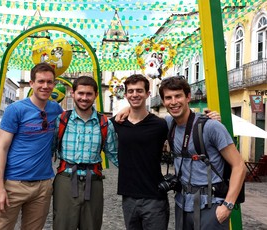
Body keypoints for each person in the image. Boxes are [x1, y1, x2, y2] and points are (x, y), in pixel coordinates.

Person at [158, 76, 246, 230]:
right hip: (182, 204)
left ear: (188, 97)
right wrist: (127, 108)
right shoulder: (169, 124)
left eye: (178, 96)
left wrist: (227, 206)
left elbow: (239, 165)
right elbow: (143, 117)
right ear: (163, 101)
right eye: (168, 98)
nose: (173, 102)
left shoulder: (211, 126)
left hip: (210, 205)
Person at [0, 62, 63, 230]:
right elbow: (1, 148)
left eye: (49, 82)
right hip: (13, 184)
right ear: (32, 84)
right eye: (41, 81)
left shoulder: (55, 109)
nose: (45, 86)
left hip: (43, 186)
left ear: (54, 84)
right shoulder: (16, 109)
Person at [52, 76, 118, 230]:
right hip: (65, 180)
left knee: (92, 226)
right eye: (80, 93)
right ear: (73, 94)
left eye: (89, 94)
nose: (84, 98)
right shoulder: (61, 120)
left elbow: (115, 155)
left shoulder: (105, 124)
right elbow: (48, 150)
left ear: (95, 95)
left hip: (93, 181)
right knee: (62, 225)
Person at [111, 74, 170, 230]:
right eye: (130, 91)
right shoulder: (117, 123)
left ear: (147, 94)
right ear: (125, 95)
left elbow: (185, 123)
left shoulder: (160, 124)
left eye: (139, 91)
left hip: (154, 197)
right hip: (128, 196)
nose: (135, 94)